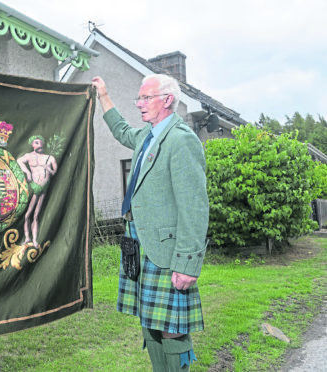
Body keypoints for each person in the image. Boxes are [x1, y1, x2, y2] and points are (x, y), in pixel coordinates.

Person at [92, 74, 209, 371]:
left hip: (166, 251)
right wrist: (104, 96)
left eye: (146, 98)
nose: (139, 104)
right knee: (150, 320)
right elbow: (120, 131)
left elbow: (194, 207)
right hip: (138, 241)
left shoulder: (182, 140)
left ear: (167, 99)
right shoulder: (148, 134)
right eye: (139, 98)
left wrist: (187, 263)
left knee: (172, 327)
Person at [17, 135, 57, 247]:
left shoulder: (49, 158)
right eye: (36, 143)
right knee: (27, 215)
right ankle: (27, 238)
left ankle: (34, 239)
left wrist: (47, 168)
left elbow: (54, 172)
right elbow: (19, 161)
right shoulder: (28, 156)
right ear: (32, 144)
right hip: (35, 187)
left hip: (44, 187)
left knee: (36, 215)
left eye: (40, 142)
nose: (39, 145)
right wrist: (28, 172)